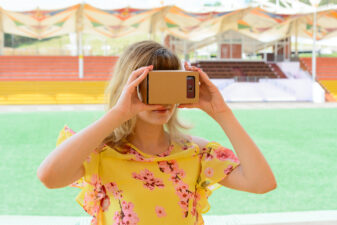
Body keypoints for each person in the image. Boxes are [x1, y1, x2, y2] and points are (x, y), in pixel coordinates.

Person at [37, 40, 277, 225]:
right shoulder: (100, 152)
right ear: (128, 88)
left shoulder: (196, 153)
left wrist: (221, 112)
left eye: (171, 84)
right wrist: (118, 114)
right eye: (152, 85)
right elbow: (49, 176)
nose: (162, 100)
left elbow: (262, 183)